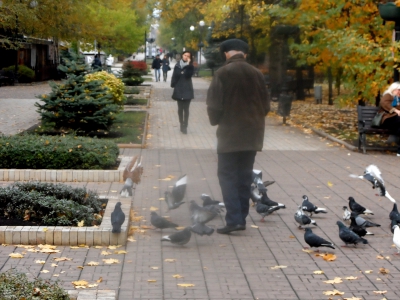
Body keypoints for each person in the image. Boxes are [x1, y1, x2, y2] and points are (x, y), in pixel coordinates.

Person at [206, 39, 270, 234]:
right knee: (244, 177)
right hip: (252, 136)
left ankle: (234, 220)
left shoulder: (222, 73)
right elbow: (266, 107)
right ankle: (240, 217)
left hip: (229, 135)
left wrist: (216, 120)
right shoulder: (257, 74)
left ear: (226, 53)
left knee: (227, 176)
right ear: (245, 54)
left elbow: (214, 106)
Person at [171, 51, 194, 134]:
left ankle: (185, 126)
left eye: (188, 56)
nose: (186, 57)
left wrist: (188, 65)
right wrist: (173, 84)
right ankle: (181, 124)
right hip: (179, 89)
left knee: (186, 109)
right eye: (185, 55)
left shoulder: (190, 66)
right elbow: (174, 75)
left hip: (188, 90)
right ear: (182, 56)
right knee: (180, 109)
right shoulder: (177, 65)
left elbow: (188, 75)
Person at [378, 81, 400, 156]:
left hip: (396, 120)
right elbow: (384, 103)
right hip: (387, 119)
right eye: (398, 90)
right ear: (394, 89)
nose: (399, 91)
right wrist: (396, 110)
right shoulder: (388, 95)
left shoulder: (398, 98)